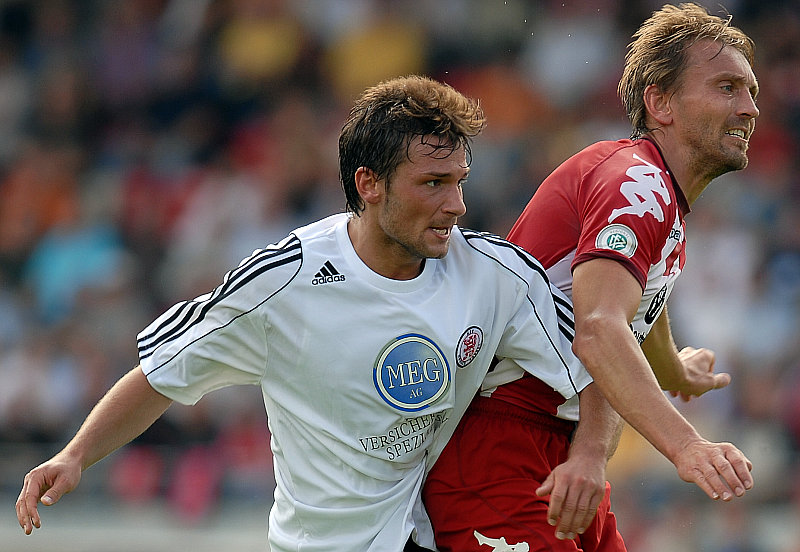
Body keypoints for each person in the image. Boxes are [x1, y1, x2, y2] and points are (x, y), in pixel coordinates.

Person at [16, 75, 605, 552]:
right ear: (369, 184)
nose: (457, 204)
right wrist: (75, 455)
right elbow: (162, 373)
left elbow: (598, 360)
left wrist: (590, 454)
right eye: (432, 183)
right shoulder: (285, 281)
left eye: (459, 182)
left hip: (425, 533)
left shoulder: (494, 275)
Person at [424, 3, 758, 551]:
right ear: (660, 103)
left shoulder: (659, 202)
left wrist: (673, 369)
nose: (749, 108)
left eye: (750, 92)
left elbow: (627, 323)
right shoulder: (636, 184)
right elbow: (600, 330)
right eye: (726, 87)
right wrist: (687, 446)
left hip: (562, 450)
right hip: (499, 441)